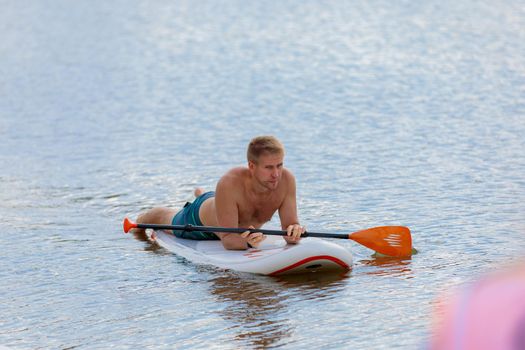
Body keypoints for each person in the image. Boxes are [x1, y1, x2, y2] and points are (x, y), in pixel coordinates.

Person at [132, 136, 305, 250]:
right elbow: (228, 239)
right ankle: (138, 222)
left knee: (213, 199)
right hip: (200, 221)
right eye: (269, 167)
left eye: (280, 165)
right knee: (164, 217)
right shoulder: (230, 182)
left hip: (225, 209)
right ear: (252, 166)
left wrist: (294, 232)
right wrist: (246, 242)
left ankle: (199, 193)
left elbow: (289, 230)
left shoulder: (287, 181)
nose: (276, 174)